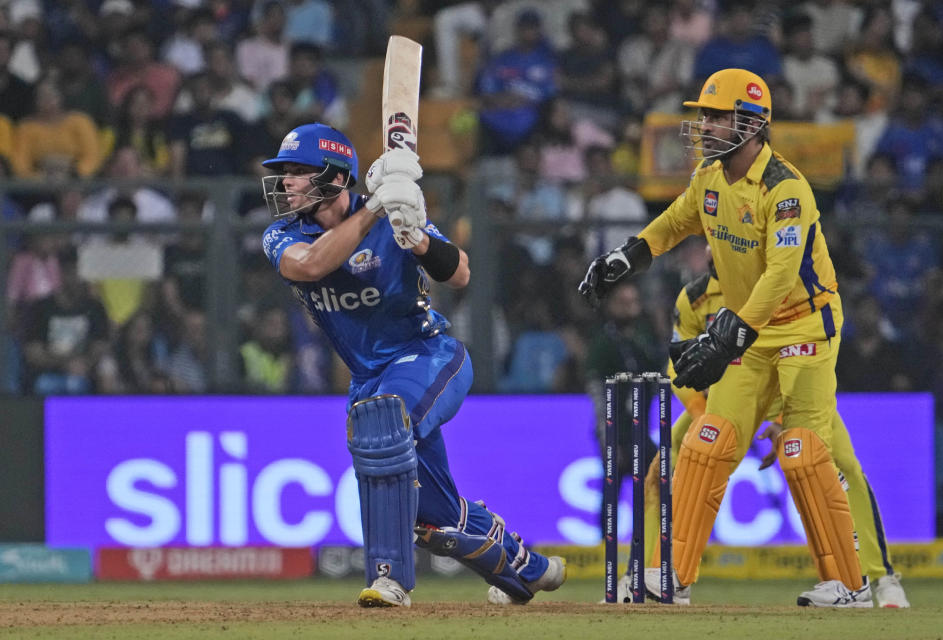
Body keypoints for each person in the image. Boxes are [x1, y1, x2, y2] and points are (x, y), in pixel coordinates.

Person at [579, 68, 871, 607]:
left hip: (805, 327)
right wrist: (627, 256)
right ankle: (671, 579)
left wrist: (725, 337)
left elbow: (782, 276)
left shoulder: (786, 189)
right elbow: (671, 225)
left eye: (717, 116)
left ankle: (850, 586)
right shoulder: (709, 179)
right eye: (704, 115)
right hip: (750, 337)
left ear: (752, 122)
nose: (705, 125)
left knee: (804, 452)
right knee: (704, 444)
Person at [259, 123, 565, 608]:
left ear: (336, 178)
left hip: (428, 356)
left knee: (383, 425)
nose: (286, 183)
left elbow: (460, 272)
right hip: (369, 378)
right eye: (284, 173)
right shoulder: (282, 234)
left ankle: (391, 579)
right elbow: (312, 265)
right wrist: (377, 207)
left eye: (298, 172)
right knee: (434, 511)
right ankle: (528, 566)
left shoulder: (393, 216)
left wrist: (417, 236)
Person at [611, 255, 910, 608]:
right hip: (728, 398)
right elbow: (676, 366)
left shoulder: (777, 287)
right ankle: (647, 576)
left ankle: (882, 579)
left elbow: (800, 351)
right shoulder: (693, 298)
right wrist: (707, 415)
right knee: (664, 466)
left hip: (788, 392)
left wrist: (784, 419)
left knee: (843, 465)